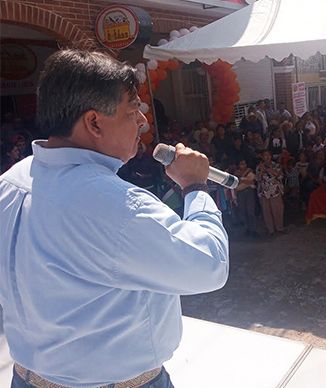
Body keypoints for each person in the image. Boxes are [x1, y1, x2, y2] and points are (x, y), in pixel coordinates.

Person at [0, 50, 229, 387]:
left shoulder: (10, 183)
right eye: (132, 109)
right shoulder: (116, 205)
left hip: (27, 378)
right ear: (94, 122)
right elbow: (209, 266)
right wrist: (195, 186)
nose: (143, 122)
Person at [256, 149, 285, 235]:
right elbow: (258, 179)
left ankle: (279, 228)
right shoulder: (259, 167)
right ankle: (270, 230)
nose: (267, 157)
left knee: (277, 210)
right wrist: (261, 170)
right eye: (265, 155)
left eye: (268, 155)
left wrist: (267, 169)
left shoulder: (276, 165)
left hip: (275, 190)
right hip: (264, 191)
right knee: (266, 212)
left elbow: (278, 175)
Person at [234, 159, 258, 237]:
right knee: (243, 211)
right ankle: (247, 229)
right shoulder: (236, 173)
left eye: (244, 164)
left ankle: (253, 230)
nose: (243, 165)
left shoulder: (249, 171)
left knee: (250, 211)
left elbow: (252, 181)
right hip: (241, 194)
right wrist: (247, 181)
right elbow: (237, 184)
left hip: (249, 193)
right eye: (241, 164)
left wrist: (244, 181)